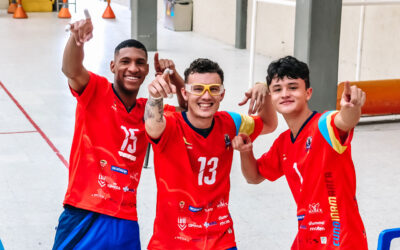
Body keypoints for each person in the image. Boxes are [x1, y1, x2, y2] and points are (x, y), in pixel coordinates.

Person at [52, 15, 185, 249]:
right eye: (125, 61)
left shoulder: (150, 110)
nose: (132, 68)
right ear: (113, 66)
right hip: (84, 213)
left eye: (139, 63)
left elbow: (189, 111)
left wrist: (173, 76)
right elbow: (71, 69)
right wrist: (77, 40)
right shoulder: (96, 90)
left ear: (146, 70)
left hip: (126, 219)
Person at [232, 56, 368, 249]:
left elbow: (344, 121)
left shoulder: (324, 125)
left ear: (308, 93)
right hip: (307, 237)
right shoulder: (283, 143)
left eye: (293, 87)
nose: (285, 94)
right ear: (271, 97)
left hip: (341, 239)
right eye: (278, 89)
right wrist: (246, 151)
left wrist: (352, 108)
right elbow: (254, 177)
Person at [144, 58, 278, 249]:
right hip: (173, 240)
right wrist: (154, 97)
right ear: (185, 93)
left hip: (220, 238)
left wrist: (262, 89)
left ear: (222, 94)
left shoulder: (231, 122)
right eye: (198, 89)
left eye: (214, 89)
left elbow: (269, 124)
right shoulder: (170, 124)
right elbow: (153, 126)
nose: (206, 96)